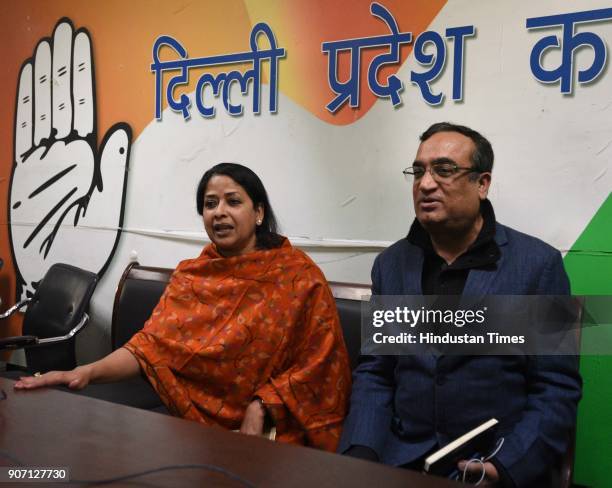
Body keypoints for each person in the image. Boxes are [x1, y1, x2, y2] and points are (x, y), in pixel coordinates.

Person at [15, 162, 352, 452]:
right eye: (210, 204)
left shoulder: (298, 277)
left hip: (274, 424)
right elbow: (149, 348)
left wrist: (263, 404)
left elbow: (320, 361)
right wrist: (84, 372)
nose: (219, 211)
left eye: (233, 201)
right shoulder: (192, 276)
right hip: (193, 421)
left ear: (259, 212)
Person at [338, 123, 581, 486]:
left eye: (444, 170)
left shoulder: (538, 266)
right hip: (399, 459)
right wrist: (362, 452)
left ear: (482, 184)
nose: (426, 183)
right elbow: (376, 372)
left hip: (491, 462)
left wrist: (505, 467)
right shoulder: (391, 265)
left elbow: (556, 387)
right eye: (418, 171)